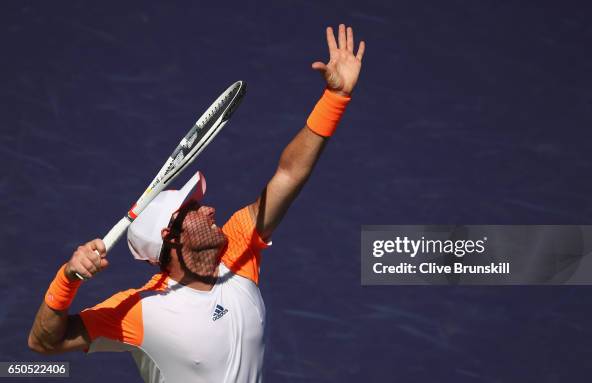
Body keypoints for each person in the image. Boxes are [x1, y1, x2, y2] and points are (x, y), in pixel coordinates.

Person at [28, 24, 365, 382]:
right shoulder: (141, 310)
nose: (210, 209)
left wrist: (334, 99)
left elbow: (289, 174)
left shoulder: (237, 249)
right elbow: (44, 342)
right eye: (193, 210)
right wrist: (69, 278)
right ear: (169, 236)